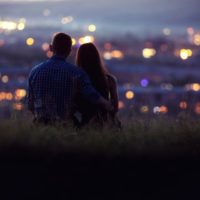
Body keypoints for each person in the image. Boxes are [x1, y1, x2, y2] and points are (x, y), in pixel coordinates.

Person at [27, 33, 112, 125]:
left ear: (51, 48)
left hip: (40, 124)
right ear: (69, 50)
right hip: (66, 125)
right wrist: (106, 104)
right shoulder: (76, 73)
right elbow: (91, 95)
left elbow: (30, 105)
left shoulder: (35, 72)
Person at [75, 42, 120, 127]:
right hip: (105, 124)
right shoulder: (109, 80)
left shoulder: (77, 80)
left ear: (80, 58)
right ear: (97, 58)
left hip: (84, 124)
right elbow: (115, 108)